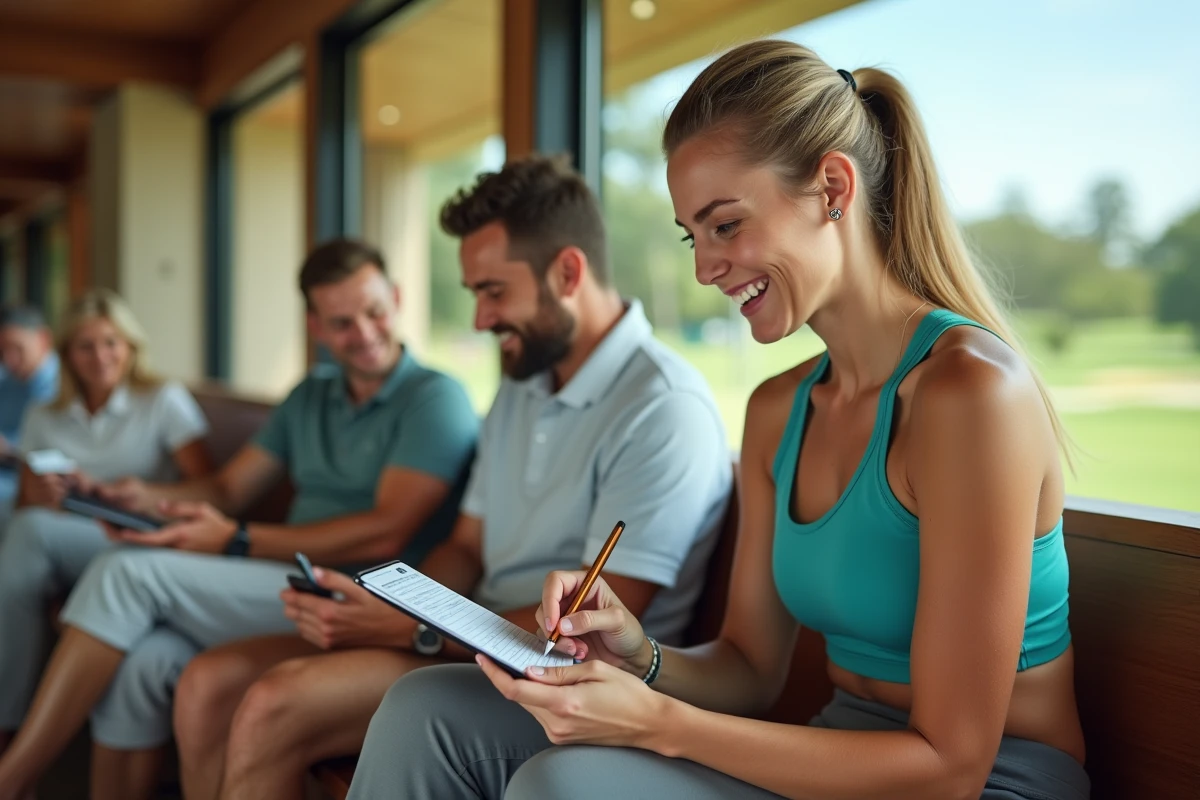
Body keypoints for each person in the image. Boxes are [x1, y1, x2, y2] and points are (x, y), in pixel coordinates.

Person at [346, 40, 1092, 800]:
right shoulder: (779, 409)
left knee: (562, 784)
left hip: (992, 781)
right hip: (830, 752)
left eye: (725, 226)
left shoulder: (970, 394)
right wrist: (639, 655)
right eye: (691, 235)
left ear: (833, 187)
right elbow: (748, 671)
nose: (705, 268)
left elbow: (949, 767)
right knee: (429, 707)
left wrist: (651, 722)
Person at [171, 154, 732, 800]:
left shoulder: (663, 407)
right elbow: (465, 546)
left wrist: (418, 630)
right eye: (474, 295)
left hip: (571, 682)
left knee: (273, 703)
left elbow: (596, 624)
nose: (480, 320)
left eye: (493, 292)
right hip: (476, 639)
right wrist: (400, 608)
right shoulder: (521, 388)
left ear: (568, 272)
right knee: (212, 682)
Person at [0, 238, 479, 800]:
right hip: (291, 575)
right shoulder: (310, 396)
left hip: (361, 593)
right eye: (342, 322)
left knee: (125, 573)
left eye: (375, 312)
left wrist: (239, 539)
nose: (366, 333)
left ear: (397, 298)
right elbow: (228, 487)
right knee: (145, 665)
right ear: (316, 327)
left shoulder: (435, 397)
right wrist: (139, 496)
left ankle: (12, 778)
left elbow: (387, 529)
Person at [0, 289, 213, 773]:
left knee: (27, 536)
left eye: (112, 343)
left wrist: (132, 493)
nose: (101, 356)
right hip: (69, 537)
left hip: (143, 536)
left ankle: (7, 730)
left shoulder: (162, 399)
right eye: (86, 346)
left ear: (131, 346)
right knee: (25, 531)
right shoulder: (45, 415)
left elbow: (207, 489)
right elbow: (25, 502)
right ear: (67, 354)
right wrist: (48, 494)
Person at [0, 304, 60, 513]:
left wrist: (8, 448)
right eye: (2, 351)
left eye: (17, 348)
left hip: (32, 481)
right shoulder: (6, 381)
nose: (9, 360)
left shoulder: (66, 386)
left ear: (43, 339)